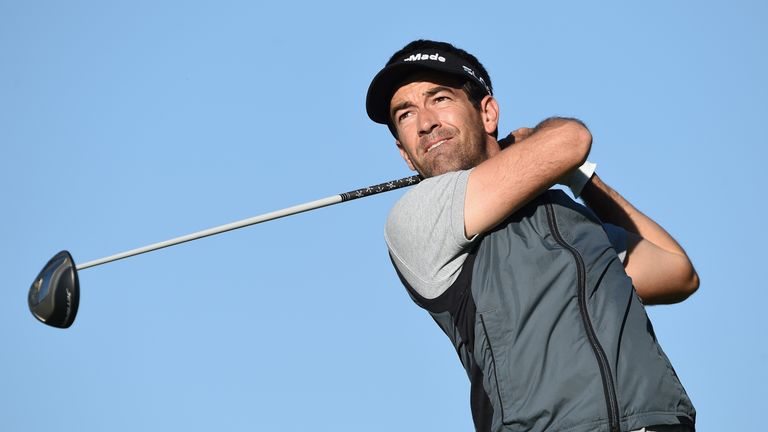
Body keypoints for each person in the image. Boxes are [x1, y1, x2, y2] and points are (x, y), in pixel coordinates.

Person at [366, 40, 699, 432]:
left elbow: (678, 272)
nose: (425, 123)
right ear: (404, 153)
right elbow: (571, 139)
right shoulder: (417, 216)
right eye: (405, 114)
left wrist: (581, 180)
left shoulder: (570, 219)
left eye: (439, 99)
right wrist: (547, 149)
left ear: (487, 113)